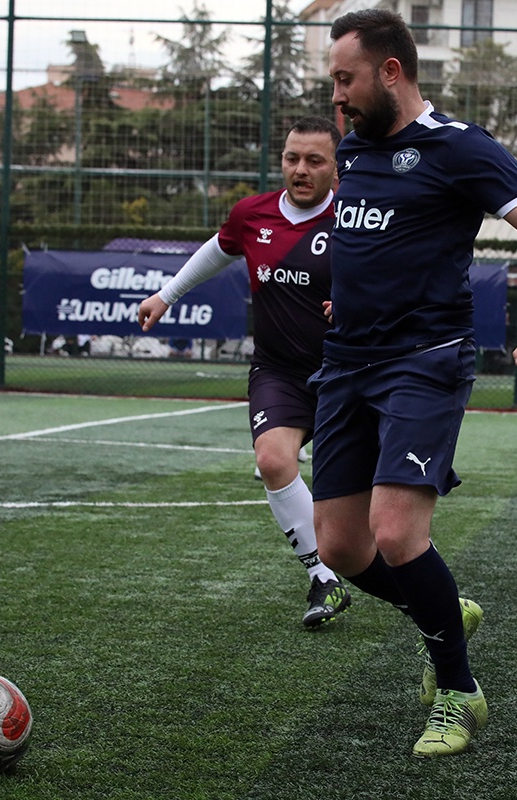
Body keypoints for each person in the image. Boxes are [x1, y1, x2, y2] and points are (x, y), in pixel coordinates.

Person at [318, 9, 517, 758]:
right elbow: (373, 242)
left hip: (423, 361)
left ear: (390, 71)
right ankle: (442, 610)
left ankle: (458, 692)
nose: (337, 95)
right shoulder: (354, 147)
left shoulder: (460, 147)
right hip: (346, 360)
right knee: (340, 547)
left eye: (346, 79)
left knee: (397, 533)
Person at [138, 117, 352, 629]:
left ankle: (422, 588)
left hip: (348, 371)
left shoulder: (354, 218)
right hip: (279, 370)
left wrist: (360, 305)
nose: (301, 170)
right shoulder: (252, 214)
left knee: (366, 506)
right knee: (273, 461)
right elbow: (218, 250)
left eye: (315, 160)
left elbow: (393, 275)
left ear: (336, 168)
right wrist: (166, 295)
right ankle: (323, 577)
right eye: (292, 158)